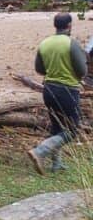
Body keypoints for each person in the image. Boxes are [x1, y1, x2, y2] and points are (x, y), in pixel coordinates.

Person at [28, 12, 87, 174]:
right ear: (69, 25)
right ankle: (40, 152)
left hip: (48, 89)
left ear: (55, 25)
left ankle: (57, 163)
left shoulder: (45, 43)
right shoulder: (71, 44)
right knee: (72, 130)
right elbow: (82, 71)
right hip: (67, 89)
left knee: (56, 126)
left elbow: (39, 69)